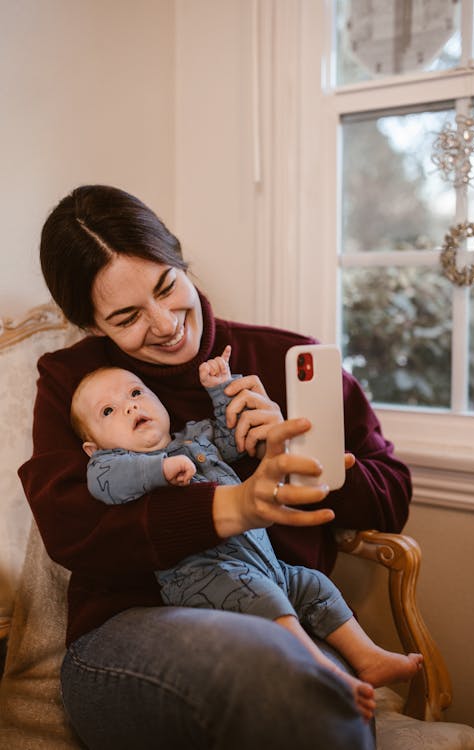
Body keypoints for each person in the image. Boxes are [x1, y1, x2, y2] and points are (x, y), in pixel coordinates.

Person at [19, 184, 413, 750]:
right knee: (273, 674)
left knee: (317, 694)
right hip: (131, 629)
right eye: (127, 316)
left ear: (178, 257)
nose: (164, 324)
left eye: (166, 286)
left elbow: (392, 495)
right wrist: (233, 504)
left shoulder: (283, 359)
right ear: (91, 325)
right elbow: (70, 526)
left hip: (286, 612)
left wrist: (300, 456)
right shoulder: (78, 387)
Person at [70, 352, 422, 722]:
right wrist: (160, 468)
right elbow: (105, 484)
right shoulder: (110, 463)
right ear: (94, 447)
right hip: (204, 577)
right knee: (266, 600)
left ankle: (368, 657)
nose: (128, 407)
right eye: (107, 411)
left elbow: (232, 438)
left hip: (265, 564)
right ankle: (322, 673)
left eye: (136, 393)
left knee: (313, 584)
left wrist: (221, 389)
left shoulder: (195, 438)